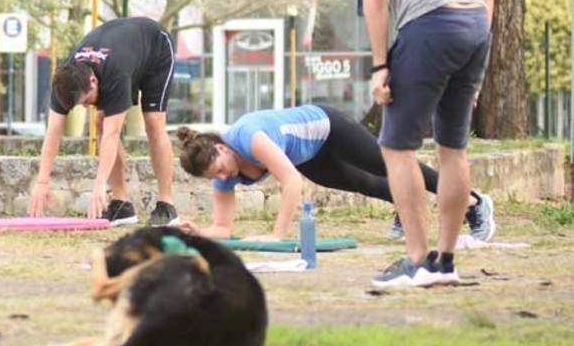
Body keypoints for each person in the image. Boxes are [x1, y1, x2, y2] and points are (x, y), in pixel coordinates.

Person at [336, 0, 493, 288]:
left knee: (395, 146)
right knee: (453, 148)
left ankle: (418, 260)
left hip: (430, 25)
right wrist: (474, 74)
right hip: (476, 26)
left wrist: (380, 64)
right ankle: (445, 260)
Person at [171, 105, 495, 242]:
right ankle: (404, 206)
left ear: (223, 149)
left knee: (390, 164)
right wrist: (198, 232)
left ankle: (474, 202)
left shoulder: (249, 138)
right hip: (308, 154)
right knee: (361, 183)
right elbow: (224, 229)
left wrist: (276, 235)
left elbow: (291, 183)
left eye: (222, 168)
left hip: (327, 126)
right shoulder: (221, 176)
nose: (224, 176)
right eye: (215, 176)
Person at [27, 16, 178, 226]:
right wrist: (42, 181)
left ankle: (166, 205)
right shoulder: (64, 81)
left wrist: (99, 186)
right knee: (99, 121)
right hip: (125, 51)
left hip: (155, 49)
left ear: (93, 80)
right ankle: (121, 203)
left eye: (88, 99)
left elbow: (112, 134)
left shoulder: (115, 73)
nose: (86, 105)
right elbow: (53, 132)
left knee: (153, 123)